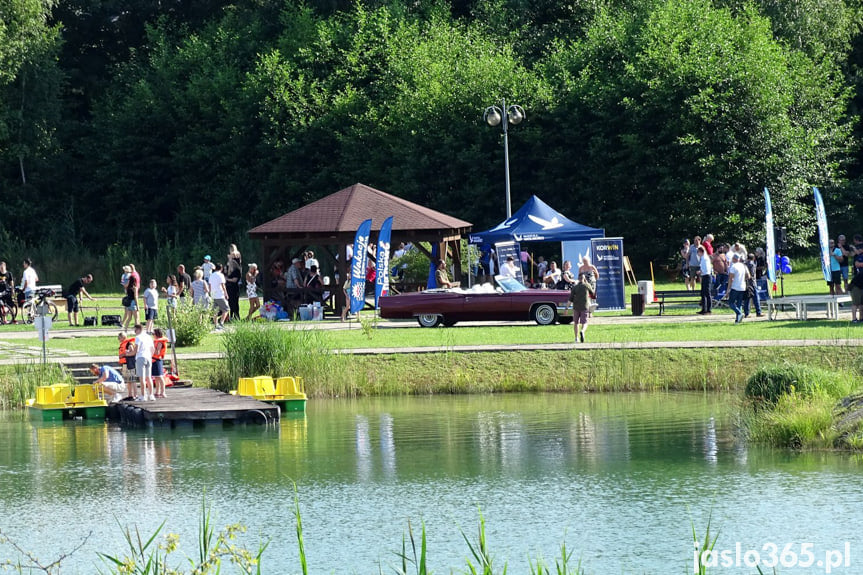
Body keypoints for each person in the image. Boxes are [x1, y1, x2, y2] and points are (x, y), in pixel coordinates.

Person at [569, 274, 595, 343]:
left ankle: (576, 338)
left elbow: (570, 298)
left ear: (578, 278)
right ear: (584, 278)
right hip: (584, 306)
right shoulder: (587, 285)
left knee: (576, 323)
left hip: (576, 306)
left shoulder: (575, 287)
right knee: (585, 322)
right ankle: (582, 331)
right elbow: (593, 294)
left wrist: (566, 308)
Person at [133, 323, 155, 401]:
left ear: (138, 329)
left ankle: (143, 395)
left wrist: (130, 353)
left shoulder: (138, 337)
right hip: (148, 357)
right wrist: (150, 355)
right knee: (149, 377)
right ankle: (151, 395)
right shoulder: (149, 337)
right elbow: (153, 349)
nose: (134, 332)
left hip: (140, 357)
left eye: (135, 330)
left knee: (142, 378)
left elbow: (137, 349)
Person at [727, 253, 750, 323]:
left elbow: (731, 278)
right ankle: (738, 319)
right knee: (739, 303)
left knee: (731, 303)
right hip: (743, 286)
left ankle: (739, 313)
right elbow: (748, 276)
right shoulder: (743, 266)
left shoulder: (733, 266)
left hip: (735, 287)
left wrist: (728, 289)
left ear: (734, 259)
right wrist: (742, 279)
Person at [743, 252, 763, 318]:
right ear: (753, 258)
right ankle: (758, 312)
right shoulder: (752, 264)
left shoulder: (744, 264)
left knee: (747, 298)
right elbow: (751, 274)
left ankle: (746, 313)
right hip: (752, 283)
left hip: (746, 283)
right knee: (756, 298)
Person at [209, 263, 229, 330]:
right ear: (221, 268)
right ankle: (221, 323)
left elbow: (210, 285)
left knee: (215, 311)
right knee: (226, 309)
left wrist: (210, 293)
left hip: (213, 295)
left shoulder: (211, 275)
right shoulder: (221, 275)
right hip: (220, 295)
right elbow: (223, 285)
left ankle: (215, 324)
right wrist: (226, 294)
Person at [151, 328, 169, 398]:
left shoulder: (160, 342)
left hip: (157, 360)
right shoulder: (156, 341)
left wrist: (151, 350)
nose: (153, 335)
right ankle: (157, 392)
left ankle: (163, 392)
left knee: (160, 376)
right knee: (156, 376)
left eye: (153, 334)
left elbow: (157, 352)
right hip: (153, 360)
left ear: (157, 334)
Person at [225, 252, 242, 321]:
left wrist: (227, 279)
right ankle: (230, 317)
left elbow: (235, 280)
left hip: (234, 289)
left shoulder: (237, 271)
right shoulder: (229, 272)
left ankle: (236, 316)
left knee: (235, 303)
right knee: (229, 303)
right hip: (228, 288)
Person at [696, 246, 713, 315]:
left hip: (707, 276)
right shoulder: (702, 258)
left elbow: (706, 269)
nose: (698, 253)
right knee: (703, 293)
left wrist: (700, 272)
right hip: (704, 276)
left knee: (707, 293)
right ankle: (704, 309)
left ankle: (708, 309)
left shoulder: (705, 259)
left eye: (698, 252)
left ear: (701, 252)